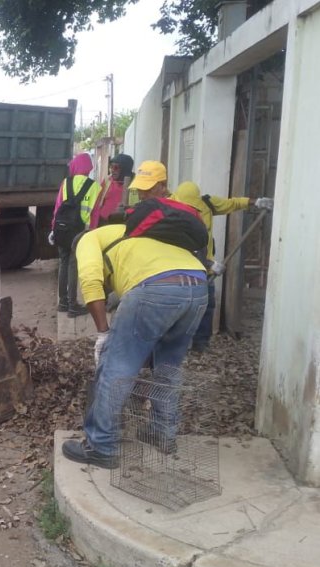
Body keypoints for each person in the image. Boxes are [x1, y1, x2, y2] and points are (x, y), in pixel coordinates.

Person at [61, 160, 208, 468]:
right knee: (168, 367)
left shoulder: (88, 240)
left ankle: (102, 446)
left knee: (118, 367)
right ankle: (161, 433)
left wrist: (103, 333)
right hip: (196, 284)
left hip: (156, 287)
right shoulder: (138, 234)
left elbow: (91, 283)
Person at [169, 181, 274, 352]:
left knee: (207, 304)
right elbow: (180, 245)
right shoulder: (170, 210)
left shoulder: (207, 204)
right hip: (181, 267)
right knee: (180, 305)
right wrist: (210, 263)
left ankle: (201, 344)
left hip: (204, 269)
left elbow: (232, 203)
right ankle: (175, 344)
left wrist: (255, 202)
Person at [47, 152, 102, 316]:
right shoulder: (95, 187)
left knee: (63, 263)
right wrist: (93, 233)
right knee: (73, 265)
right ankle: (73, 305)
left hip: (61, 228)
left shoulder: (66, 183)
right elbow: (95, 214)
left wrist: (53, 229)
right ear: (89, 167)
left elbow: (57, 208)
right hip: (79, 231)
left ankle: (62, 303)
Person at [90, 153, 134, 228]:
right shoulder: (107, 181)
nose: (112, 170)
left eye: (116, 168)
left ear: (125, 168)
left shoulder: (136, 184)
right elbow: (97, 204)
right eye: (111, 167)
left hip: (124, 224)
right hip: (104, 223)